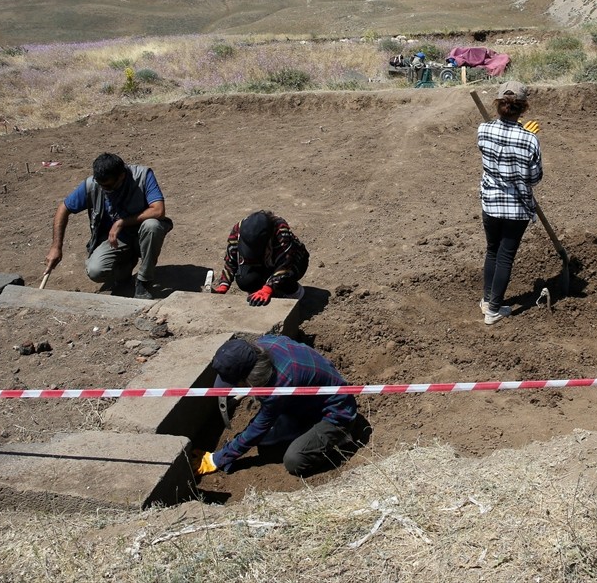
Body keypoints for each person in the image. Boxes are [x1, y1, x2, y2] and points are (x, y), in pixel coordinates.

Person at [196, 335, 371, 477]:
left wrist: (219, 458)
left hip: (337, 413)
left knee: (295, 460)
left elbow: (260, 425)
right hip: (308, 398)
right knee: (266, 440)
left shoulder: (280, 385)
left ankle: (340, 436)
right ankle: (298, 425)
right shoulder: (265, 344)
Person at [44, 153, 172, 300]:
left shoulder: (143, 176)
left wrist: (121, 222)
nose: (105, 189)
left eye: (109, 185)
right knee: (95, 271)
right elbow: (63, 209)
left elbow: (158, 210)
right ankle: (124, 269)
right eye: (101, 185)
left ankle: (144, 280)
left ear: (122, 176)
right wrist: (56, 247)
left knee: (152, 226)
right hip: (116, 241)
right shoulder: (93, 184)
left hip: (141, 236)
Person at [477, 80, 543, 326]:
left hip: (491, 203)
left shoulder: (483, 130)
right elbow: (534, 178)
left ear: (498, 105)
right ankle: (493, 310)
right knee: (505, 256)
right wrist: (528, 136)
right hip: (516, 208)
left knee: (492, 250)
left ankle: (486, 300)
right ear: (523, 108)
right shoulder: (529, 140)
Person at [211, 211, 309, 306]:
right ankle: (261, 293)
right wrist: (224, 284)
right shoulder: (238, 230)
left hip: (295, 261)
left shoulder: (280, 231)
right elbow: (230, 260)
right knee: (245, 279)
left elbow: (286, 264)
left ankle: (295, 292)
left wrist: (268, 288)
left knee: (285, 277)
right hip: (262, 262)